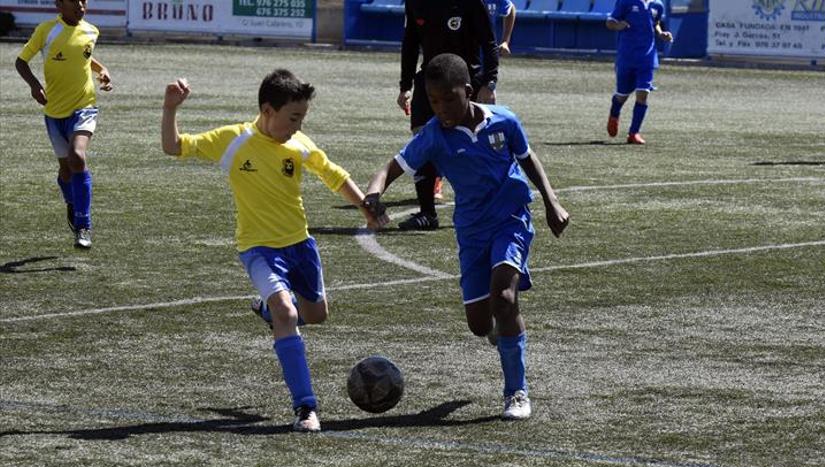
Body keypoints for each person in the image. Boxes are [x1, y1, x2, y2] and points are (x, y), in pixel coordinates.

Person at [161, 69, 384, 432]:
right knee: (287, 312)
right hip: (259, 249)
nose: (297, 126)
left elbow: (333, 174)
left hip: (300, 245)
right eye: (293, 118)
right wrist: (170, 109)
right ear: (268, 110)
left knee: (315, 315)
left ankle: (267, 309)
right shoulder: (232, 140)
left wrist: (364, 206)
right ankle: (306, 408)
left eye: (302, 119)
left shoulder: (298, 145)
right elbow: (174, 147)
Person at [363, 54, 570, 420]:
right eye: (434, 100)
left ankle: (516, 392)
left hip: (511, 218)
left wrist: (552, 202)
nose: (441, 108)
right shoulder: (433, 137)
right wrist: (374, 194)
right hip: (472, 231)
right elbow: (389, 168)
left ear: (468, 91)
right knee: (479, 324)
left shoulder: (504, 120)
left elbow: (527, 158)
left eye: (448, 98)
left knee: (504, 298)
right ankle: (503, 335)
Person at [15, 0, 113, 249]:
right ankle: (72, 202)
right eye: (74, 1)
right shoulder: (46, 30)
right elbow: (21, 61)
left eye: (84, 0)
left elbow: (84, 55)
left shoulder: (92, 30)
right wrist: (35, 85)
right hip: (54, 111)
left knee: (77, 157)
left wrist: (102, 71)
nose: (81, 5)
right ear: (59, 4)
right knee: (66, 172)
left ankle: (83, 225)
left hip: (84, 107)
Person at [397, 0, 500, 230]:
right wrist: (405, 86)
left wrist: (489, 82)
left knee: (475, 145)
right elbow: (410, 43)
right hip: (429, 81)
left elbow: (489, 41)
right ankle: (427, 213)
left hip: (465, 83)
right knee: (421, 139)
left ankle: (487, 206)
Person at [605, 0, 673, 145]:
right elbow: (610, 22)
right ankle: (614, 113)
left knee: (643, 93)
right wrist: (618, 25)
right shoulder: (626, 2)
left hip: (647, 57)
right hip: (627, 56)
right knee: (622, 95)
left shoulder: (657, 5)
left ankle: (633, 133)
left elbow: (655, 23)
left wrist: (661, 34)